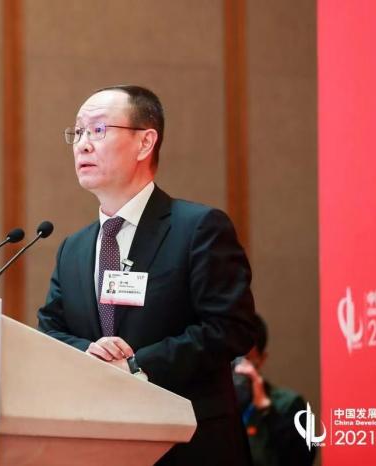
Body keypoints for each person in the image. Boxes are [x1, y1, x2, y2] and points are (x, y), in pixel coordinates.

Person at [37, 84, 256, 465]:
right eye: (78, 132)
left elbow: (230, 328)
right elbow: (50, 331)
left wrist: (137, 364)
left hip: (190, 446)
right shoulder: (74, 248)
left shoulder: (198, 228)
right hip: (97, 445)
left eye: (98, 130)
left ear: (145, 143)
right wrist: (89, 354)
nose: (83, 145)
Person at [233, 314, 316, 466]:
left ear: (262, 359)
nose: (238, 368)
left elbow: (304, 458)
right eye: (232, 359)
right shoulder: (218, 406)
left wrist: (267, 411)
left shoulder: (289, 404)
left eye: (246, 359)